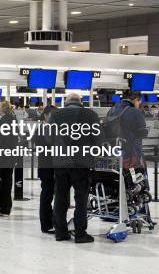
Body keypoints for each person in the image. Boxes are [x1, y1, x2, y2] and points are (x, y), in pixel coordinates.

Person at [48, 93, 100, 243]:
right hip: (81, 163)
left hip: (60, 163)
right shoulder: (90, 114)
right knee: (81, 199)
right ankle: (80, 234)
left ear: (66, 102)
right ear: (81, 102)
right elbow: (98, 138)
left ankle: (60, 232)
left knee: (60, 198)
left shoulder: (56, 114)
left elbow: (48, 138)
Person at [107, 90, 148, 168]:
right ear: (135, 100)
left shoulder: (111, 110)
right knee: (134, 176)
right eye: (139, 102)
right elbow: (142, 132)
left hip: (113, 150)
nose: (139, 104)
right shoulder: (135, 111)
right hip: (131, 152)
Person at [0, 101, 17, 217]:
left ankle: (3, 205)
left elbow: (0, 140)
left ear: (1, 109)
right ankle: (6, 208)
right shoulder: (13, 120)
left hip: (2, 156)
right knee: (7, 181)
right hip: (10, 156)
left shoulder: (4, 121)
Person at [35, 105, 57, 234]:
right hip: (46, 168)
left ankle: (51, 222)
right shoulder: (43, 129)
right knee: (46, 196)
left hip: (50, 167)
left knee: (50, 196)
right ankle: (46, 225)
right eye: (53, 116)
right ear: (45, 116)